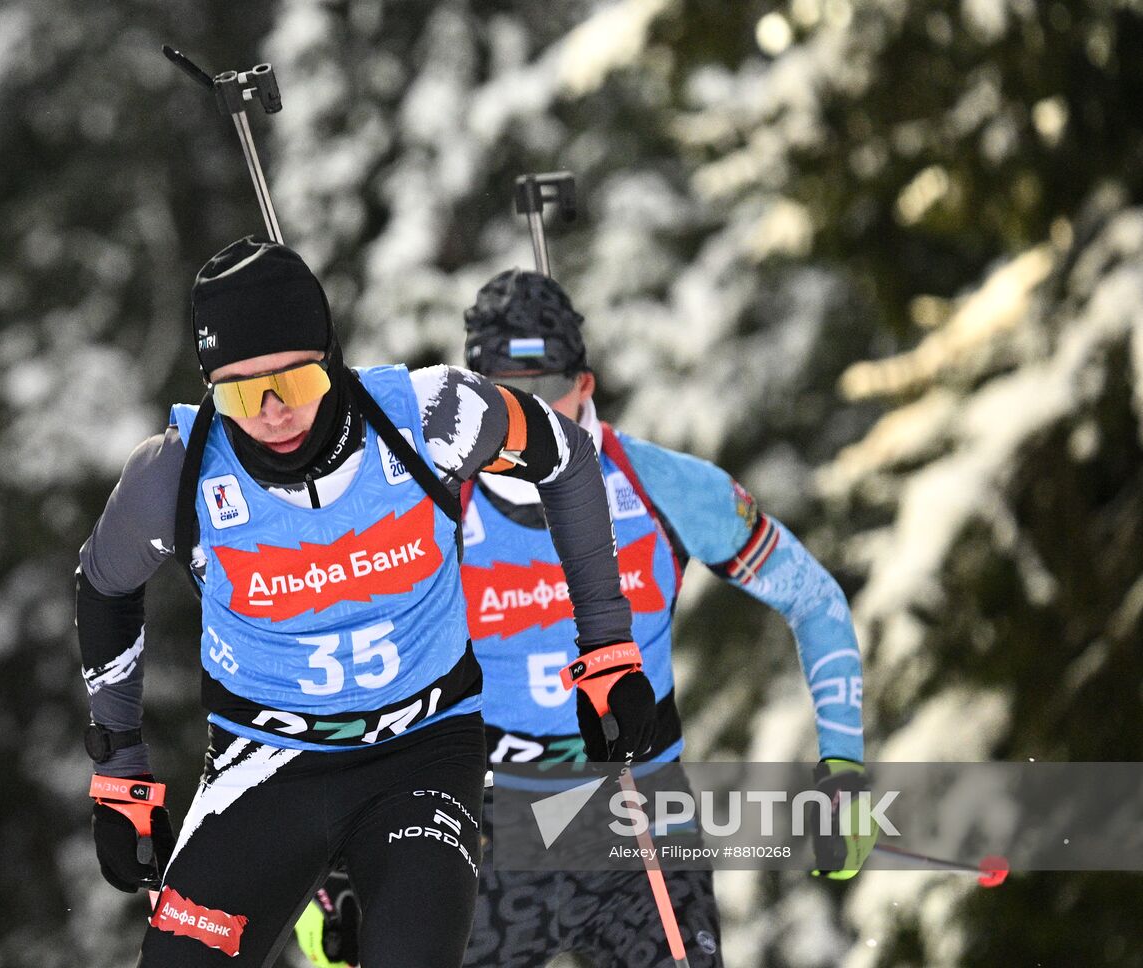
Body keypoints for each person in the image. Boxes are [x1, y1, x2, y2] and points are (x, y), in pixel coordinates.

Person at [75, 239, 659, 968]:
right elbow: (104, 585)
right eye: (240, 394)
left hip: (422, 755)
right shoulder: (175, 474)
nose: (272, 414)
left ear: (331, 356)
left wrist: (605, 648)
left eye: (293, 381)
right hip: (266, 761)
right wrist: (119, 772)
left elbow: (565, 458)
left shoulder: (434, 417)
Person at [296, 269, 875, 968]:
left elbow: (813, 598)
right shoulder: (423, 506)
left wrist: (843, 761)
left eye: (549, 389)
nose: (532, 414)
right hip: (487, 831)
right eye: (508, 393)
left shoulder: (661, 486)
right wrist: (327, 883)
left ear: (586, 386)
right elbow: (333, 679)